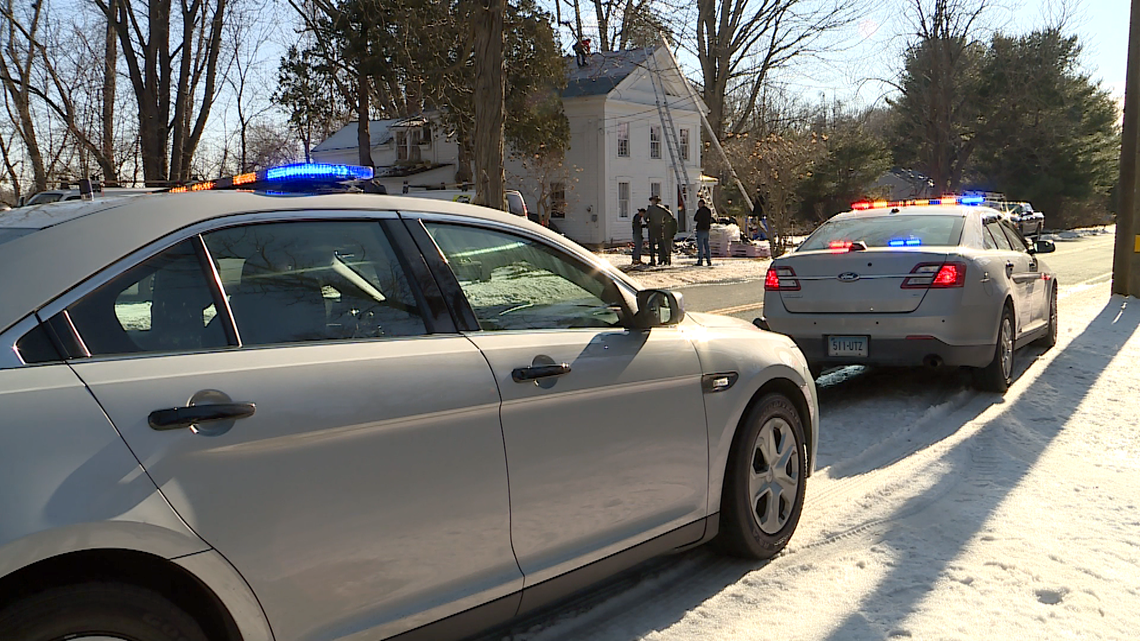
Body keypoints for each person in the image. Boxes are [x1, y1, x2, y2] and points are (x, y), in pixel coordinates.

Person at [646, 195, 669, 266]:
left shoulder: (651, 209)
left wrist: (648, 222)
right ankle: (665, 259)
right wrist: (664, 222)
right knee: (661, 244)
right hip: (660, 226)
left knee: (652, 244)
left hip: (652, 227)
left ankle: (653, 260)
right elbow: (670, 215)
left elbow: (645, 217)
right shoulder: (662, 208)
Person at [694, 198, 713, 266]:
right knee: (707, 246)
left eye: (699, 204)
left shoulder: (700, 211)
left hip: (700, 229)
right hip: (706, 229)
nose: (698, 205)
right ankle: (708, 260)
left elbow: (695, 218)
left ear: (701, 203)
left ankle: (700, 260)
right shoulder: (708, 211)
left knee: (700, 247)